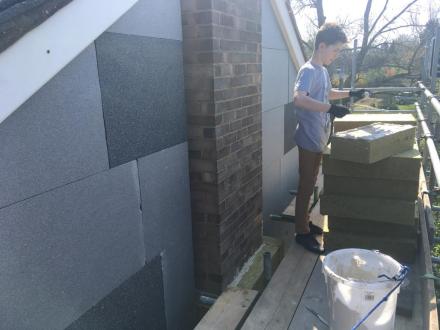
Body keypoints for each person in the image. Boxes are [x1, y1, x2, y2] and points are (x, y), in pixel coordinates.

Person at [292, 23, 365, 254]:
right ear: (322, 46)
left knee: (312, 181)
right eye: (335, 50)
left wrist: (349, 93)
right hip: (308, 137)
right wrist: (330, 109)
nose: (337, 55)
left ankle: (304, 221)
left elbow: (327, 94)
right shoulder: (308, 70)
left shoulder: (322, 71)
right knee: (305, 185)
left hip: (319, 136)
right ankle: (301, 232)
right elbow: (299, 99)